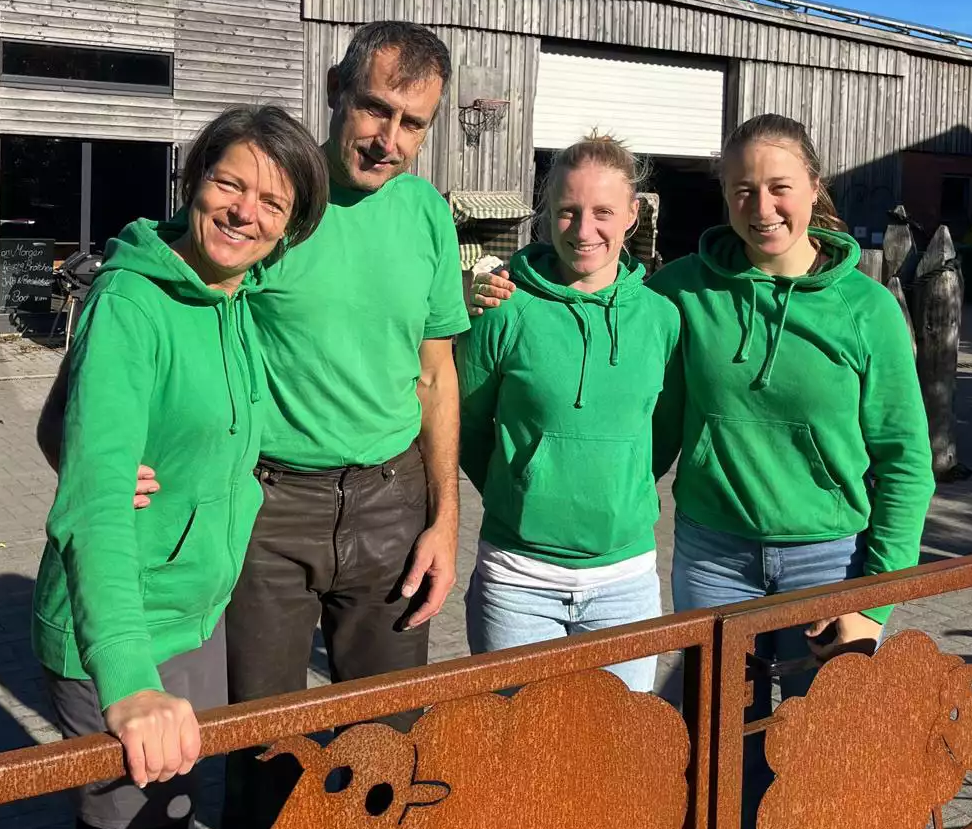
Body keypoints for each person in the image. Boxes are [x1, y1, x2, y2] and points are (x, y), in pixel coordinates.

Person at [37, 20, 469, 829]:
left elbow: (437, 372)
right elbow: (143, 294)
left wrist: (446, 516)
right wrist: (75, 445)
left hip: (390, 500)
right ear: (337, 92)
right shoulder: (280, 197)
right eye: (375, 110)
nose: (389, 140)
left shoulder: (426, 219)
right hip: (268, 509)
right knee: (266, 742)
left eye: (414, 123)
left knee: (389, 735)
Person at [472, 113, 935, 825]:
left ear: (814, 188)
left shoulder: (867, 310)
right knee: (720, 749)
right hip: (713, 559)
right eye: (742, 190)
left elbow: (906, 463)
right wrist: (500, 285)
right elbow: (597, 304)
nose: (762, 207)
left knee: (826, 754)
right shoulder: (681, 290)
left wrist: (872, 602)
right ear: (723, 195)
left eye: (779, 187)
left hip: (828, 565)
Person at [32, 104, 328, 829]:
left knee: (183, 809)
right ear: (195, 179)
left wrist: (65, 442)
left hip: (195, 621)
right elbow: (94, 504)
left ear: (289, 228)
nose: (243, 212)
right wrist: (128, 681)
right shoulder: (132, 301)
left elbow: (62, 411)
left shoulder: (234, 301)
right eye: (230, 184)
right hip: (120, 627)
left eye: (271, 202)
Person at [457, 133, 681, 692]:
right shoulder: (502, 311)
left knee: (615, 756)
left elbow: (665, 430)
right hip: (517, 581)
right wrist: (525, 485)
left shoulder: (661, 320)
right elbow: (467, 425)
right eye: (568, 212)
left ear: (633, 214)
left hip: (624, 583)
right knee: (518, 755)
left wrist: (618, 484)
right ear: (547, 214)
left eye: (603, 212)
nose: (584, 231)